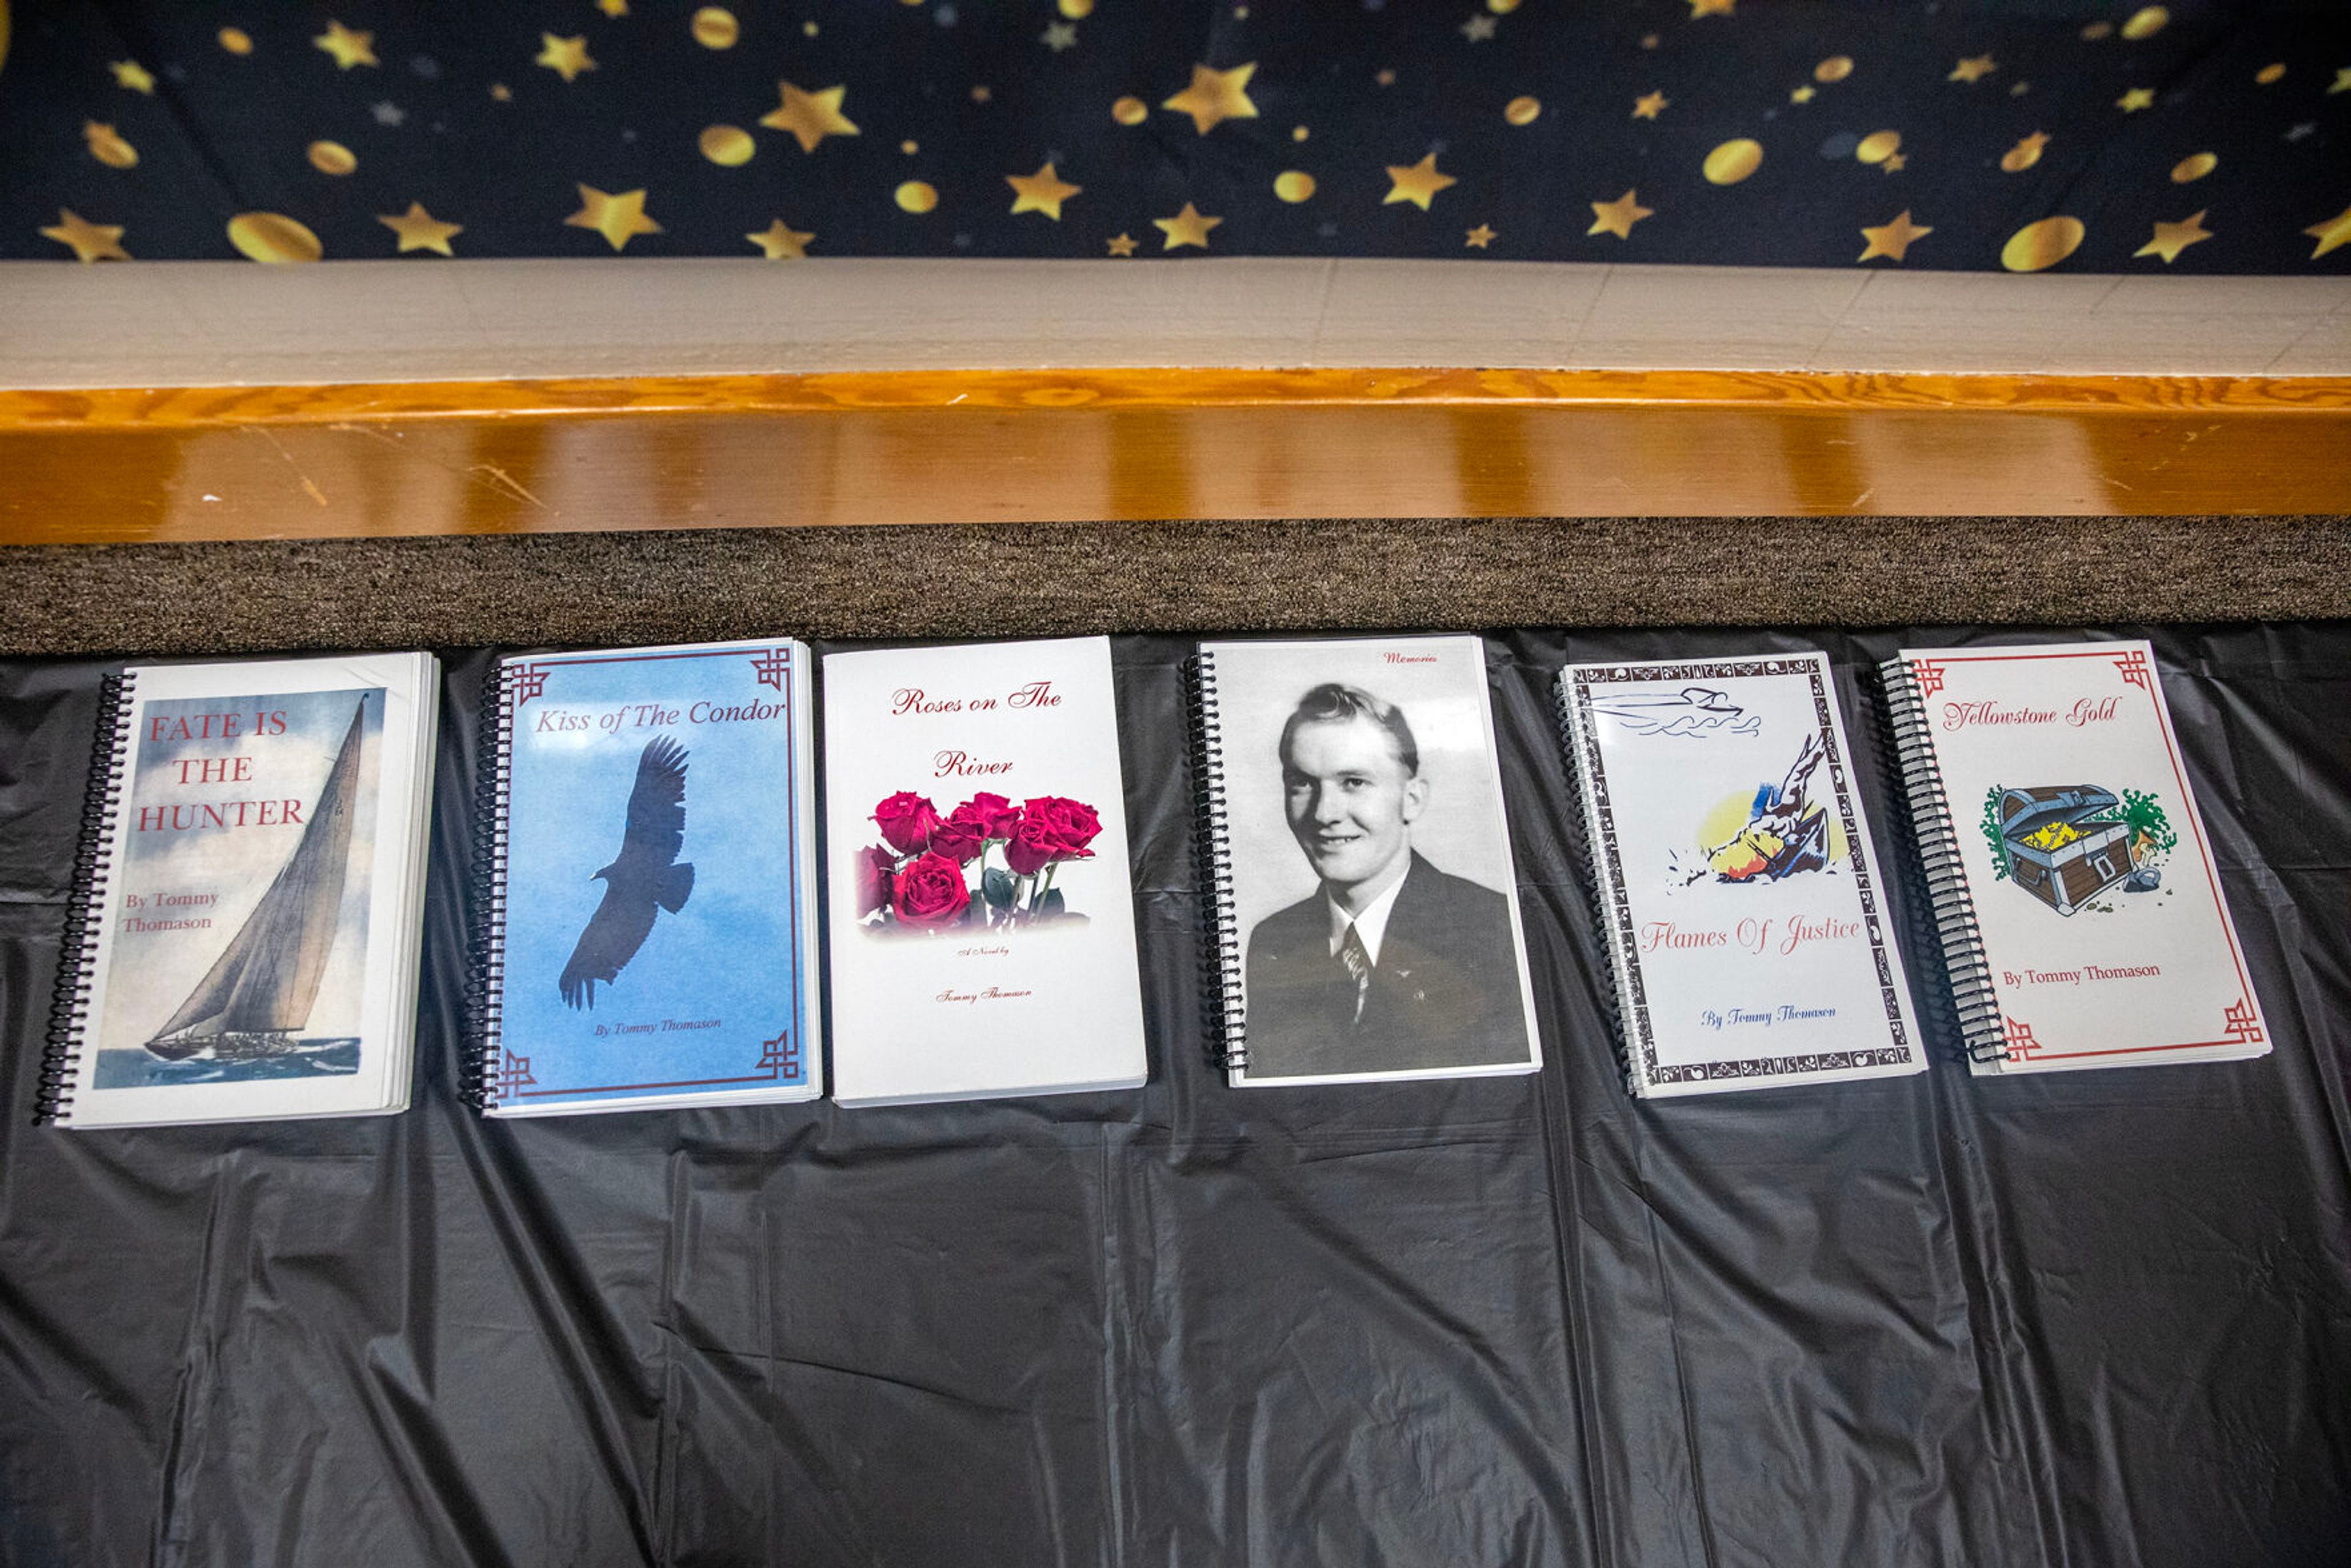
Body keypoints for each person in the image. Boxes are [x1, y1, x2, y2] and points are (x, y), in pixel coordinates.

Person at [1243, 682, 1531, 1077]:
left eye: (1354, 782)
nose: (1324, 813)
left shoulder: (1496, 928)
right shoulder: (1275, 939)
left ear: (1412, 799)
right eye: (1303, 783)